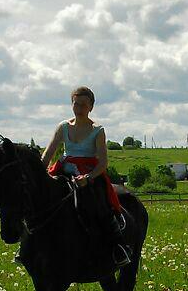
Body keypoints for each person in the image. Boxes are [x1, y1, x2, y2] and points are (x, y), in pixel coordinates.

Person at [40, 86, 131, 266]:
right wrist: (39, 172)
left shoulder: (98, 130)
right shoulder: (63, 127)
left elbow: (103, 162)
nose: (79, 108)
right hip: (63, 168)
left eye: (83, 105)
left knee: (98, 204)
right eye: (76, 104)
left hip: (89, 171)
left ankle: (117, 247)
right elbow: (48, 154)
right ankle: (28, 245)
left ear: (91, 107)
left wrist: (88, 178)